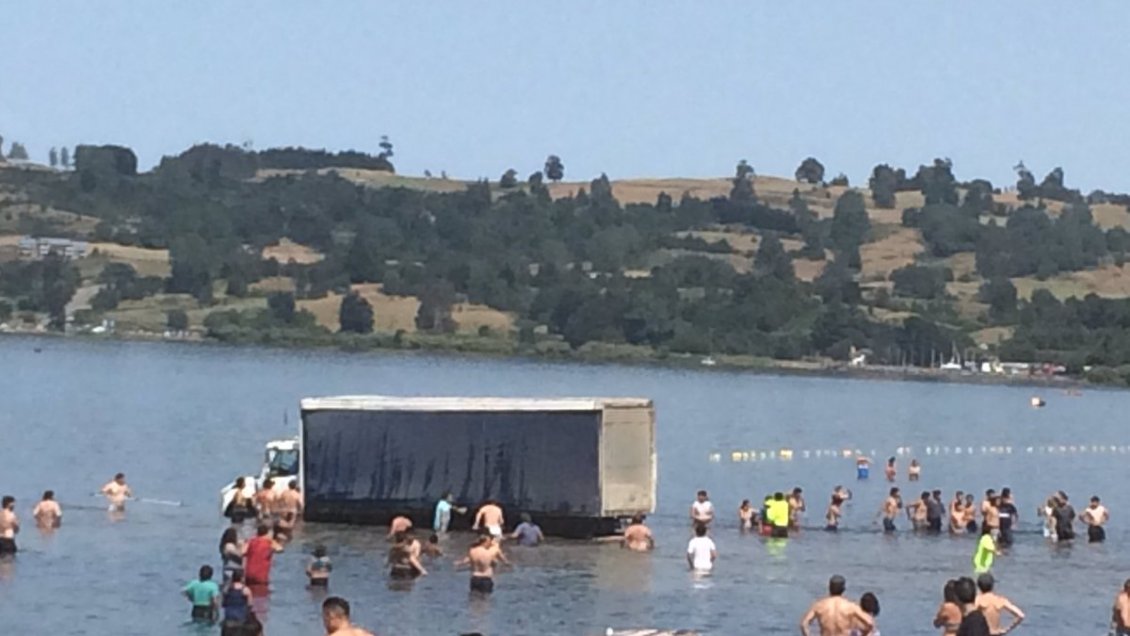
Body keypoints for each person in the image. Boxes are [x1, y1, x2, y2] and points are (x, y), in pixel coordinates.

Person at [799, 575, 874, 636]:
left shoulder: (819, 605)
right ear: (843, 589)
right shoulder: (851, 606)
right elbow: (870, 623)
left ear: (829, 588)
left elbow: (804, 624)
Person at [221, 570, 258, 636]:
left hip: (228, 618)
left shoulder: (227, 589)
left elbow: (223, 604)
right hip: (241, 619)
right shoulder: (246, 590)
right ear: (241, 578)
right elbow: (250, 605)